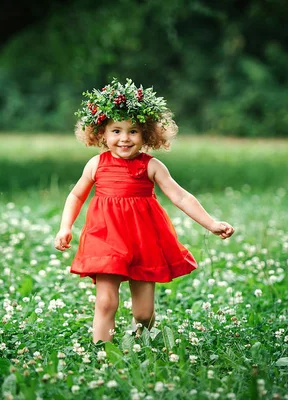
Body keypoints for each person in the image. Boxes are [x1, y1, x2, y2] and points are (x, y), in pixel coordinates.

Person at [54, 78, 235, 343]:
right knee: (105, 302)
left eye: (133, 131)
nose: (124, 138)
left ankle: (143, 345)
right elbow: (76, 195)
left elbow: (181, 196)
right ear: (101, 133)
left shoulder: (151, 166)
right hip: (105, 238)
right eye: (116, 131)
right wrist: (65, 227)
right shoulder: (96, 164)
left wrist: (211, 223)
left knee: (143, 312)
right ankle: (101, 352)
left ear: (147, 134)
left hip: (142, 240)